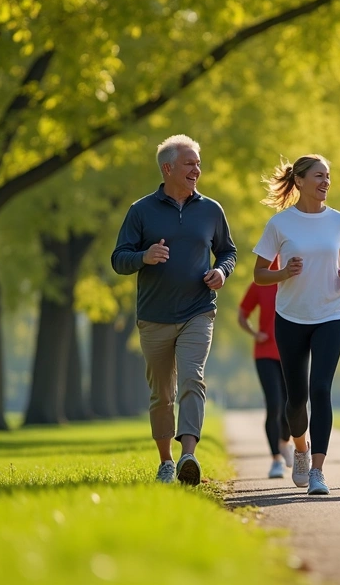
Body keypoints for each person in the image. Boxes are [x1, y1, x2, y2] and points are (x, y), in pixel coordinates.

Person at [111, 134, 237, 485]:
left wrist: (222, 271)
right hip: (154, 317)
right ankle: (166, 461)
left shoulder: (211, 210)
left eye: (198, 162)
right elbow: (119, 259)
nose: (197, 168)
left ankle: (188, 457)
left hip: (198, 310)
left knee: (193, 378)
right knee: (162, 393)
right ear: (168, 168)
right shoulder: (141, 211)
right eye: (190, 163)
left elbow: (228, 250)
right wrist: (144, 256)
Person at [251, 154, 340, 496]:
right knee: (295, 399)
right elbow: (259, 273)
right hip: (291, 316)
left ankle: (318, 471)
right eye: (318, 176)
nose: (325, 181)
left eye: (328, 175)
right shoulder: (280, 224)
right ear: (299, 181)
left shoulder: (339, 221)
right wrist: (283, 273)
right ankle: (300, 449)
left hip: (329, 313)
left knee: (320, 390)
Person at [238, 260, 293, 479]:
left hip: (291, 353)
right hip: (265, 354)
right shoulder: (261, 283)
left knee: (293, 404)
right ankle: (275, 460)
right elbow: (242, 314)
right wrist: (254, 333)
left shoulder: (296, 280)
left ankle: (284, 442)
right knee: (274, 405)